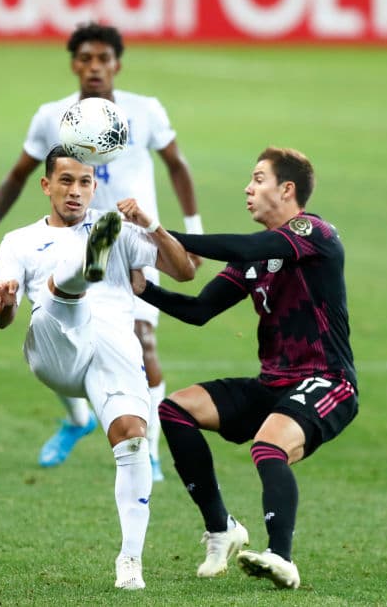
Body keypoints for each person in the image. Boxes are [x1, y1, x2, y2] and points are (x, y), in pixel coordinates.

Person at [0, 22, 201, 477]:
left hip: (127, 244)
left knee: (144, 341)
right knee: (57, 334)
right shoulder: (51, 116)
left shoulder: (144, 111)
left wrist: (192, 231)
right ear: (73, 64)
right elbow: (17, 176)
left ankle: (149, 449)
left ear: (117, 65)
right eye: (86, 59)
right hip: (70, 245)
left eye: (103, 59)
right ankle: (77, 419)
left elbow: (177, 165)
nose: (95, 67)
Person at [131, 147, 359, 590]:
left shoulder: (313, 233)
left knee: (268, 445)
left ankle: (281, 557)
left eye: (258, 179)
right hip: (273, 385)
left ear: (287, 189)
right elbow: (199, 310)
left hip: (327, 380)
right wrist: (144, 290)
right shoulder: (255, 258)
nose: (248, 189)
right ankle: (222, 529)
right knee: (176, 410)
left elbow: (249, 245)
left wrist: (158, 232)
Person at [0, 145, 195, 590]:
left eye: (85, 182)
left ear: (94, 186)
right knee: (59, 300)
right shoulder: (19, 241)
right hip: (56, 347)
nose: (75, 191)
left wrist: (152, 225)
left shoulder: (117, 227)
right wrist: (4, 302)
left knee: (133, 439)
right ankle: (79, 273)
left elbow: (185, 272)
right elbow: (3, 318)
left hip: (112, 350)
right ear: (46, 185)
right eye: (66, 181)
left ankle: (130, 561)